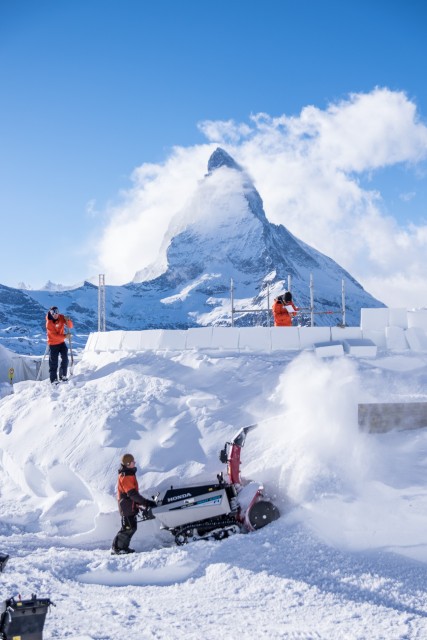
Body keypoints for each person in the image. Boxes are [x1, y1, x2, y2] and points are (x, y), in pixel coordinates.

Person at [111, 453, 156, 555]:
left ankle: (123, 548)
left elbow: (133, 495)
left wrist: (139, 504)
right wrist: (146, 502)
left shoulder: (129, 473)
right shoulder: (125, 476)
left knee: (131, 527)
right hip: (126, 506)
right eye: (133, 461)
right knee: (128, 528)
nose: (135, 462)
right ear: (127, 464)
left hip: (129, 505)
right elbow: (132, 494)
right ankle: (117, 548)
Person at [46, 306, 73, 385]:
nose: (55, 314)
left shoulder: (61, 317)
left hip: (61, 343)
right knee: (53, 362)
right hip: (53, 343)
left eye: (56, 312)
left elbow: (70, 326)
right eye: (53, 313)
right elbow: (54, 336)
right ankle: (53, 379)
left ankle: (63, 375)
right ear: (50, 313)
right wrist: (65, 336)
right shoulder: (49, 323)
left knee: (65, 358)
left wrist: (68, 320)